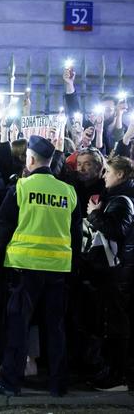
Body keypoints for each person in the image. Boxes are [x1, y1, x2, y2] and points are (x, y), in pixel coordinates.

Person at [0, 136, 82, 397]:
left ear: (30, 159)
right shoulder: (68, 191)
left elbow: (3, 228)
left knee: (19, 329)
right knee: (55, 329)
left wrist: (2, 258)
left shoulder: (21, 187)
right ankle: (58, 385)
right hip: (58, 269)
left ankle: (11, 384)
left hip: (24, 268)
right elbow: (75, 236)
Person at [85, 156, 134, 391]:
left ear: (121, 175)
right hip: (120, 271)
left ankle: (117, 377)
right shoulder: (119, 198)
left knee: (116, 324)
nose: (104, 176)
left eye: (108, 172)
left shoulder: (123, 201)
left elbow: (116, 230)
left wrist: (95, 214)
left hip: (119, 273)